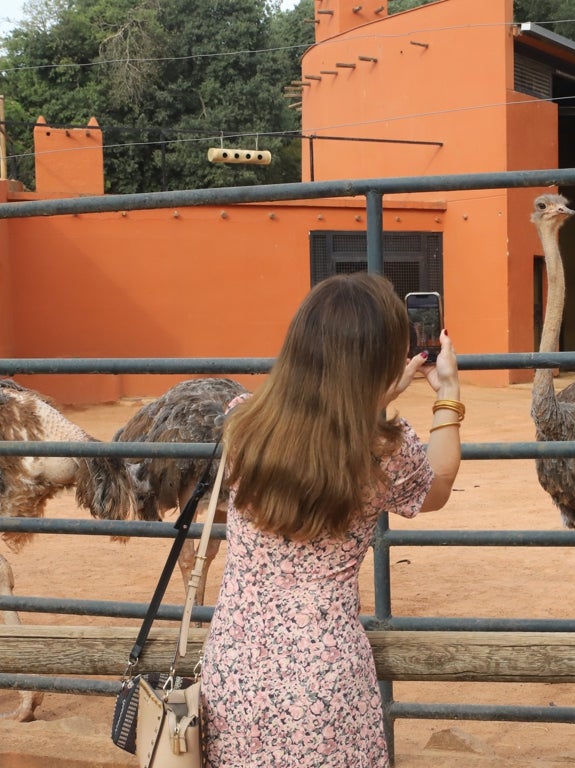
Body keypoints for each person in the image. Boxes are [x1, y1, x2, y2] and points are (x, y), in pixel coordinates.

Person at [200, 272, 462, 767]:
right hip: (325, 684)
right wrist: (446, 392)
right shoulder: (385, 451)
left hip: (233, 669)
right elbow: (439, 485)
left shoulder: (240, 422)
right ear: (382, 360)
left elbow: (313, 431)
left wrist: (373, 398)